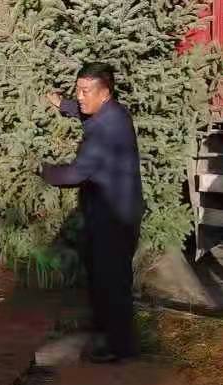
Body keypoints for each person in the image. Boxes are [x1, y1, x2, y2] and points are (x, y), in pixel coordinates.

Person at [43, 62, 144, 363]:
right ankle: (107, 331)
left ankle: (119, 347)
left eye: (85, 91)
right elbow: (84, 110)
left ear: (105, 93)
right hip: (112, 211)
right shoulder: (112, 112)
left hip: (114, 218)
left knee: (113, 282)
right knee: (103, 276)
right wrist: (62, 104)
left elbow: (77, 173)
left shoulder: (105, 129)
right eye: (78, 90)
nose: (80, 96)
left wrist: (43, 171)